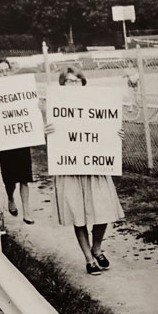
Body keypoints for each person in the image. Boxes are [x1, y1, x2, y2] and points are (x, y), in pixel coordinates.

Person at [45, 67, 124, 276]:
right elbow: (53, 138)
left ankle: (97, 248)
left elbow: (106, 126)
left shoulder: (97, 103)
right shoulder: (56, 108)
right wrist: (48, 132)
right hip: (70, 168)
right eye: (69, 81)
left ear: (83, 83)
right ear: (62, 85)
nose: (73, 85)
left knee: (103, 208)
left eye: (77, 81)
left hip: (95, 166)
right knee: (77, 213)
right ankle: (88, 258)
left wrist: (115, 134)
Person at [0, 59, 35, 224]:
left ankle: (27, 212)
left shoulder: (20, 88)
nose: (4, 73)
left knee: (25, 178)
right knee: (10, 179)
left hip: (21, 138)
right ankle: (10, 197)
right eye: (0, 71)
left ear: (10, 71)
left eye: (6, 70)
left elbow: (28, 107)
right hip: (5, 141)